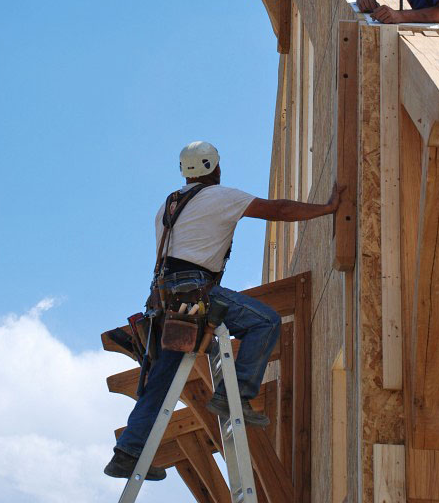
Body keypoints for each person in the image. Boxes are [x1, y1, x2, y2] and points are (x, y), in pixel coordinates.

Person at [104, 140, 342, 481]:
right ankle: (234, 396)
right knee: (265, 321)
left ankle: (127, 453)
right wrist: (327, 208)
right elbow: (279, 210)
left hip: (165, 302)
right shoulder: (220, 197)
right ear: (213, 167)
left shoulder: (168, 205)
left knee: (160, 381)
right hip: (195, 292)